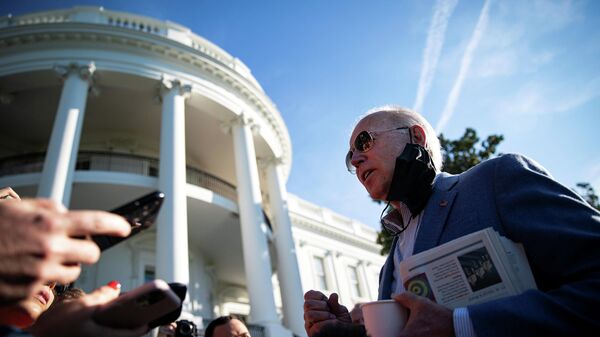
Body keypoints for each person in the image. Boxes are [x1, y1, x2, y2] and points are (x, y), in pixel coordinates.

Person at [303, 106, 600, 337]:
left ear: (415, 137)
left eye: (364, 142)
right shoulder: (389, 266)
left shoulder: (496, 180)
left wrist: (462, 326)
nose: (355, 160)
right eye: (349, 156)